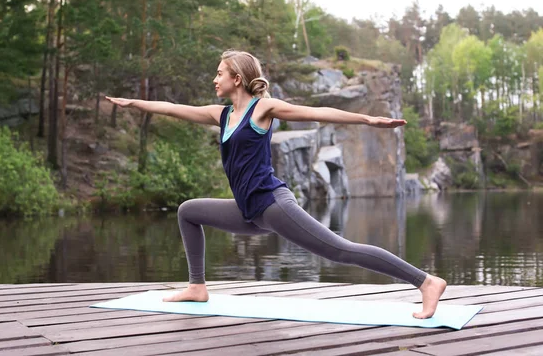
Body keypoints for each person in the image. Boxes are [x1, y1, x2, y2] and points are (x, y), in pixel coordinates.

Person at [105, 49, 447, 319]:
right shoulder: (221, 115)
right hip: (248, 211)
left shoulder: (261, 109)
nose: (215, 79)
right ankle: (197, 286)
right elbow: (173, 108)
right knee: (188, 211)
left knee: (340, 250)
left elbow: (315, 111)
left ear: (236, 79)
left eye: (219, 73)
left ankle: (426, 281)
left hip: (273, 205)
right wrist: (134, 103)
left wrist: (367, 119)